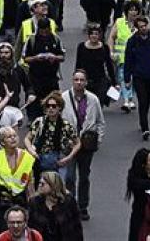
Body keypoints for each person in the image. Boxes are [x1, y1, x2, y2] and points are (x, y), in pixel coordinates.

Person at [59, 70, 103, 222]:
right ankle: (71, 205)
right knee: (70, 177)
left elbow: (99, 122)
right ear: (72, 81)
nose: (79, 82)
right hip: (69, 144)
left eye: (81, 80)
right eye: (76, 79)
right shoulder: (64, 98)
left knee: (84, 176)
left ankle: (83, 207)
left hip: (86, 144)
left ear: (86, 82)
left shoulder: (93, 99)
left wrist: (98, 140)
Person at [123, 16, 150, 140]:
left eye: (145, 26)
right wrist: (127, 78)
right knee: (142, 100)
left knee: (147, 100)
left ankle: (143, 118)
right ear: (137, 28)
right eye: (141, 27)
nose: (144, 28)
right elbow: (128, 60)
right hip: (138, 75)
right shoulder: (132, 41)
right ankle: (145, 127)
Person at [26, 171, 84, 241]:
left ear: (53, 185)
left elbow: (77, 227)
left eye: (43, 184)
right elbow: (30, 227)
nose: (39, 185)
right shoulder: (34, 202)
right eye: (39, 183)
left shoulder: (68, 202)